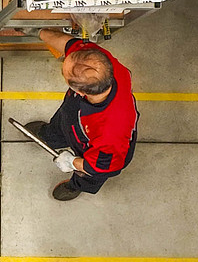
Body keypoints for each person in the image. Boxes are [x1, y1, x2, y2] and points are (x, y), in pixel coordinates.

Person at [13, 29, 139, 201]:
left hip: (94, 149)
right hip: (74, 114)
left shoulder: (111, 131)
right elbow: (68, 44)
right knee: (64, 121)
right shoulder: (96, 63)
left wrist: (72, 162)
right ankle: (50, 136)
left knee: (87, 176)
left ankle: (76, 186)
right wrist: (38, 31)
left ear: (79, 91)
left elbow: (102, 167)